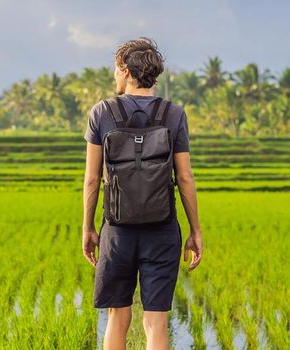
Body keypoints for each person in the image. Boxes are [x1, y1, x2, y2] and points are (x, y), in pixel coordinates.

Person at [81, 37, 204, 350]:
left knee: (117, 316)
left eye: (115, 71)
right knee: (155, 321)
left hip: (118, 231)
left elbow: (92, 179)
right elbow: (185, 177)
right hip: (162, 230)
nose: (114, 77)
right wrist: (195, 230)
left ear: (125, 70)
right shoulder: (174, 114)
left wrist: (88, 228)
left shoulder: (102, 112)